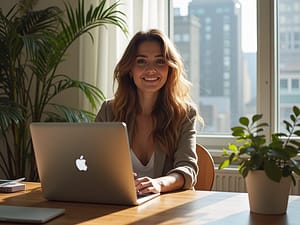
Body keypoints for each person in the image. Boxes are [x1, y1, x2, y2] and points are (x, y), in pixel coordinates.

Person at [95, 29, 202, 195]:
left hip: (167, 208)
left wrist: (159, 184)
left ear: (170, 69)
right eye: (141, 61)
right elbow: (94, 163)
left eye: (159, 62)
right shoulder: (109, 111)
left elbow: (187, 169)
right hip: (118, 205)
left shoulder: (185, 114)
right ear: (130, 69)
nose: (151, 69)